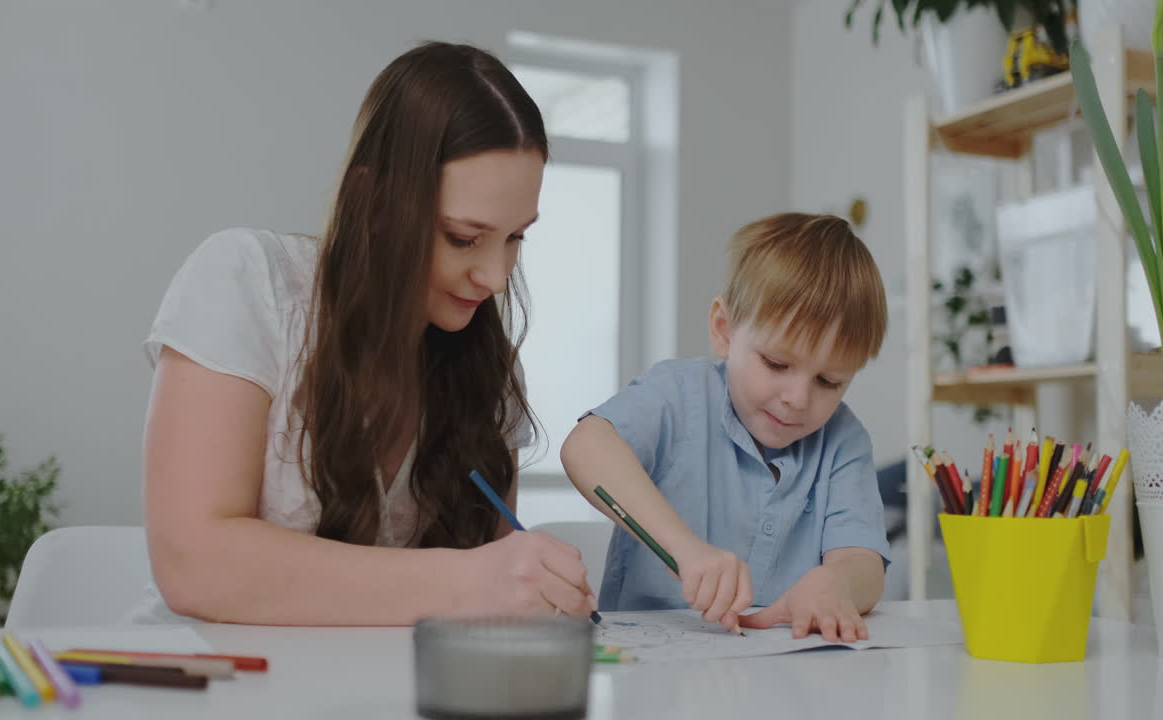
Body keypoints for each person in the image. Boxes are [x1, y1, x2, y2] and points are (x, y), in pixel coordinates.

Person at [137, 41, 595, 625]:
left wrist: (533, 587)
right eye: (463, 236)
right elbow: (194, 564)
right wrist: (472, 577)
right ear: (370, 199)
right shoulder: (249, 283)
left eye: (515, 238)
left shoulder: (487, 365)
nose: (497, 277)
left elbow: (498, 592)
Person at [562, 213, 889, 642]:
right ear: (724, 330)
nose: (798, 398)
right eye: (776, 363)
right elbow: (585, 446)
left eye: (829, 382)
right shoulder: (678, 394)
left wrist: (837, 583)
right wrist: (686, 549)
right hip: (647, 668)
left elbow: (863, 563)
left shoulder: (843, 439)